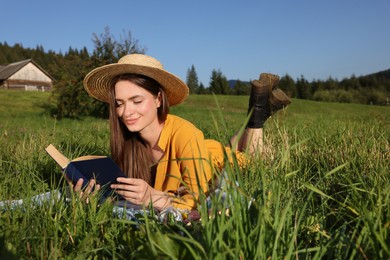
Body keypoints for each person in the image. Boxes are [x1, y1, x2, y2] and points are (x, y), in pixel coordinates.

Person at [78, 54, 290, 216]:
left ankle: (257, 114)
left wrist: (154, 198)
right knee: (229, 147)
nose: (126, 112)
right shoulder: (126, 140)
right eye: (119, 103)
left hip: (214, 161)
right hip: (203, 150)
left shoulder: (184, 132)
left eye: (137, 101)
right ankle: (257, 109)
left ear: (158, 99)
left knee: (250, 159)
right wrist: (97, 196)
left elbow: (197, 202)